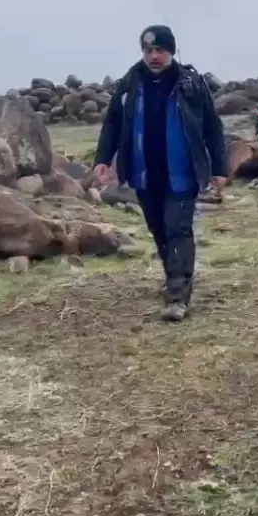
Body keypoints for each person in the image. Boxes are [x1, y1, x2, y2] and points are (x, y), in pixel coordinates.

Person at [92, 25, 228, 322]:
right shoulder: (130, 83)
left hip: (181, 173)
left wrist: (219, 167)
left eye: (159, 50)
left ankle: (178, 294)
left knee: (178, 228)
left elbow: (212, 128)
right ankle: (173, 276)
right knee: (159, 230)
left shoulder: (191, 83)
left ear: (171, 51)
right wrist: (103, 159)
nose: (153, 56)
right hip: (144, 175)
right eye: (148, 50)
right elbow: (113, 123)